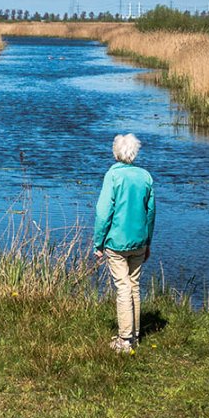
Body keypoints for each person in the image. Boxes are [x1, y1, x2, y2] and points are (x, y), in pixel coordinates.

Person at [93, 134, 156, 353]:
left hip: (116, 242)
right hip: (139, 240)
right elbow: (150, 212)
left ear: (115, 152)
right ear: (135, 152)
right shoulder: (145, 176)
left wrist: (98, 243)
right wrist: (147, 241)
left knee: (122, 287)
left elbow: (103, 212)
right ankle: (135, 335)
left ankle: (125, 339)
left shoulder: (112, 176)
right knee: (134, 286)